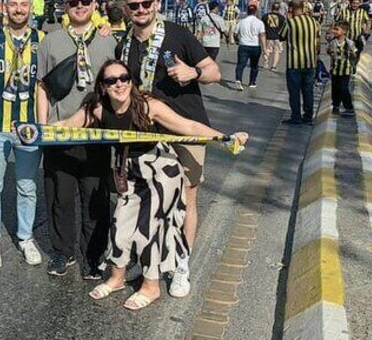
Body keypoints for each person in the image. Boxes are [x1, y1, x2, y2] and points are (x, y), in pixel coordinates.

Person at [55, 60, 248, 311]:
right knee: (120, 225)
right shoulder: (98, 108)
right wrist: (35, 131)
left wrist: (225, 137)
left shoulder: (148, 106)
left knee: (149, 230)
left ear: (131, 80)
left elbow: (188, 126)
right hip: (130, 172)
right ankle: (116, 278)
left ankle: (151, 286)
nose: (119, 84)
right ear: (102, 86)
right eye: (111, 80)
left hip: (161, 170)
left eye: (124, 77)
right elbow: (67, 127)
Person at [118, 0, 222, 298]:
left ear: (156, 4)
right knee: (151, 199)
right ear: (128, 9)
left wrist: (193, 73)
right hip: (148, 133)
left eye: (146, 4)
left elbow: (213, 71)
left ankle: (181, 265)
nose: (140, 10)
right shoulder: (124, 45)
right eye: (134, 6)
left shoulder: (178, 35)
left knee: (186, 200)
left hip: (186, 129)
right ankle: (152, 258)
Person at [36, 0, 117, 279]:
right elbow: (42, 88)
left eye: (85, 1)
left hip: (97, 133)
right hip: (60, 132)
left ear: (94, 4)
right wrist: (43, 126)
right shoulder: (50, 42)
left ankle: (93, 256)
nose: (79, 6)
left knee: (95, 197)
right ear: (65, 8)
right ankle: (62, 251)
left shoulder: (110, 41)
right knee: (60, 195)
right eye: (73, 3)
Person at [0, 0, 45, 269]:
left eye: (23, 5)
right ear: (4, 8)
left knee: (27, 186)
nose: (18, 9)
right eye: (13, 5)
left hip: (29, 127)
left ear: (31, 8)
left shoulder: (42, 40)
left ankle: (25, 237)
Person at [281, 0, 321, 125]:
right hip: (310, 62)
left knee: (294, 91)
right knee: (308, 90)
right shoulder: (314, 22)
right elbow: (318, 39)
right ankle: (308, 117)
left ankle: (296, 117)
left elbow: (281, 36)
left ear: (291, 9)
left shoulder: (290, 23)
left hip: (294, 64)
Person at [326, 20, 357, 117]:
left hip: (345, 70)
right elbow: (328, 51)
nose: (335, 31)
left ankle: (349, 108)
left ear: (344, 31)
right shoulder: (332, 42)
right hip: (335, 70)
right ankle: (336, 106)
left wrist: (352, 54)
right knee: (335, 89)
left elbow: (354, 55)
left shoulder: (349, 43)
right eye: (334, 29)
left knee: (344, 89)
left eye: (337, 29)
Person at [233, 5, 266, 91]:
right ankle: (252, 82)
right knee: (254, 65)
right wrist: (265, 48)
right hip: (255, 46)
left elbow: (235, 33)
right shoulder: (259, 22)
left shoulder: (241, 22)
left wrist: (237, 41)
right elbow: (262, 36)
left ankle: (238, 79)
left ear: (247, 12)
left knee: (241, 64)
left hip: (243, 45)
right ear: (255, 12)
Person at [338, 0, 369, 72]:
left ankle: (354, 64)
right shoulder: (343, 11)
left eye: (357, 3)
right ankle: (347, 66)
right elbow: (337, 22)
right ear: (350, 3)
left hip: (357, 36)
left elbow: (367, 21)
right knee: (346, 53)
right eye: (354, 3)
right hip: (346, 37)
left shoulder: (362, 12)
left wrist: (366, 30)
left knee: (357, 53)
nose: (355, 5)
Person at [262, 2, 287, 72]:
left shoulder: (265, 16)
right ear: (278, 9)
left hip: (268, 36)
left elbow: (262, 25)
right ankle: (274, 66)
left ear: (271, 8)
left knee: (267, 50)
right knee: (277, 51)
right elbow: (284, 27)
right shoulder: (282, 17)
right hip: (278, 37)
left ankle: (266, 62)